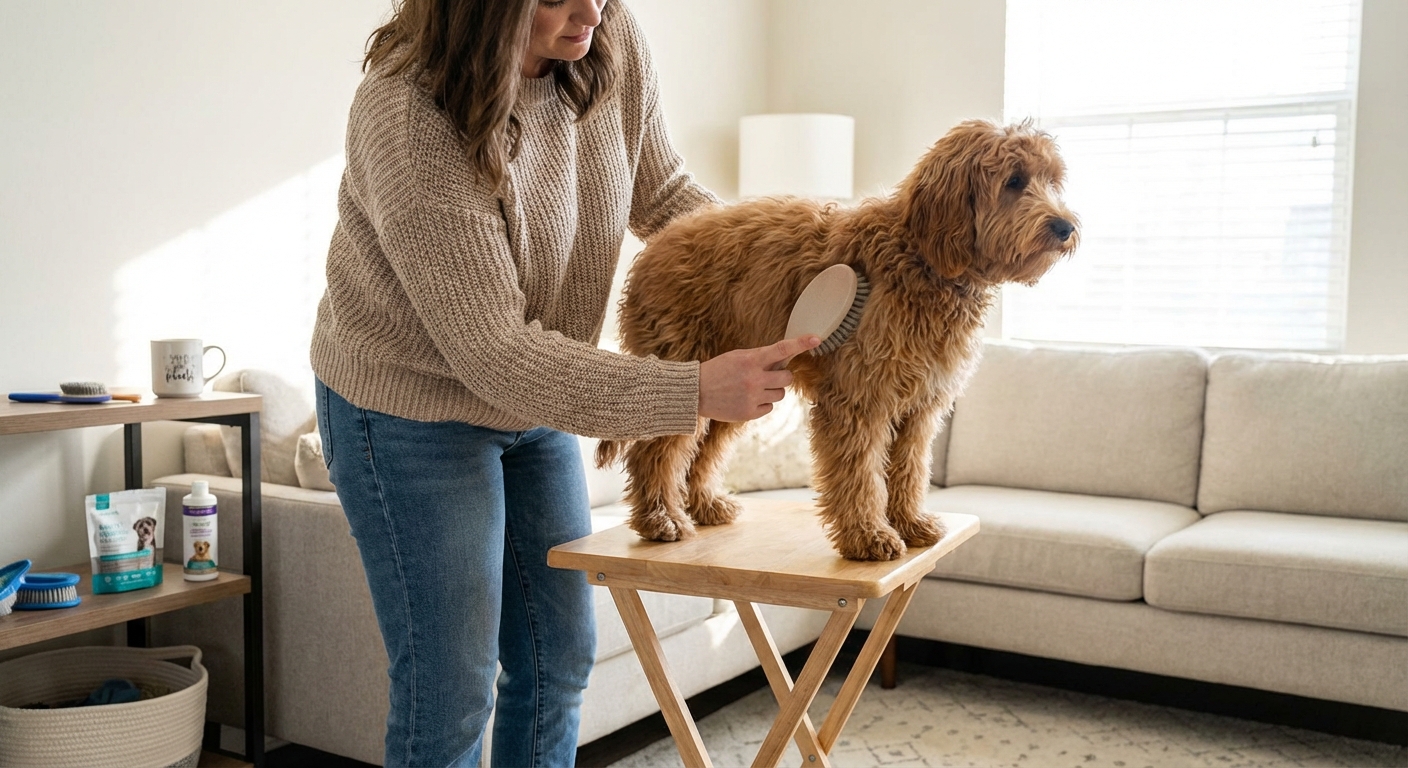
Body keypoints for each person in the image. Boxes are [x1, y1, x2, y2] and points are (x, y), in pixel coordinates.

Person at [309, 0, 820, 765]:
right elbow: (495, 352)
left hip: (538, 393)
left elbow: (667, 196)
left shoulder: (605, 34)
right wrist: (691, 392)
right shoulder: (410, 114)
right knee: (451, 690)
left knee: (559, 660)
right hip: (411, 413)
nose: (591, 10)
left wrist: (779, 263)